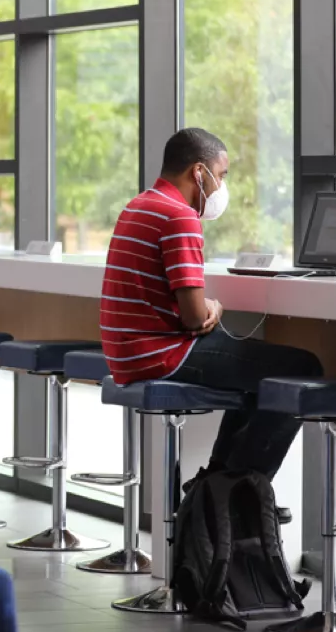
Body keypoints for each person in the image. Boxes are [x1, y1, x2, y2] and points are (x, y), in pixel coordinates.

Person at [100, 127, 323, 490]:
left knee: (258, 377)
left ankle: (217, 478)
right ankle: (236, 491)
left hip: (126, 354)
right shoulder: (179, 217)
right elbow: (193, 317)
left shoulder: (137, 206)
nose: (221, 187)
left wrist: (205, 311)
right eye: (220, 176)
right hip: (163, 354)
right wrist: (214, 308)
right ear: (198, 173)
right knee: (303, 367)